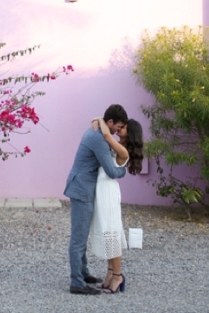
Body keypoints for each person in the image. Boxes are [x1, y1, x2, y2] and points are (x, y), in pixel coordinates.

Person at [64, 104, 128, 295]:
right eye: (118, 127)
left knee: (81, 235)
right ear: (110, 122)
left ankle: (83, 274)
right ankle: (77, 282)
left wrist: (98, 119)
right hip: (82, 189)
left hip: (82, 187)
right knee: (79, 238)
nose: (118, 131)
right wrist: (123, 169)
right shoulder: (99, 138)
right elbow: (111, 170)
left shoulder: (98, 130)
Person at [89, 117, 144, 294]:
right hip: (102, 189)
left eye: (124, 127)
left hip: (108, 192)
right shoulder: (119, 145)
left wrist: (99, 118)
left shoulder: (123, 150)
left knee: (112, 234)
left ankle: (118, 276)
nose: (120, 128)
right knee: (107, 232)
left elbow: (106, 133)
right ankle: (110, 274)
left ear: (131, 132)